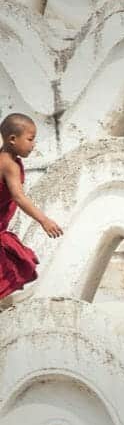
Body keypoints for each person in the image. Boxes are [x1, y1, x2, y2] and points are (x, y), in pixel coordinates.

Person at [0, 113, 62, 301]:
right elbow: (18, 197)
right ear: (12, 139)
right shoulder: (9, 164)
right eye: (30, 139)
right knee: (14, 267)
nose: (33, 145)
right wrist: (44, 220)